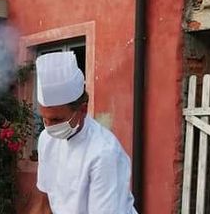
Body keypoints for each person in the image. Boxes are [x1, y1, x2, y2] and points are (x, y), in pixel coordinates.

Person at [29, 51, 137, 214]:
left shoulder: (104, 154)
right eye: (45, 119)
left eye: (57, 120)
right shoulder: (46, 139)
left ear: (83, 109)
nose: (49, 127)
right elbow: (45, 204)